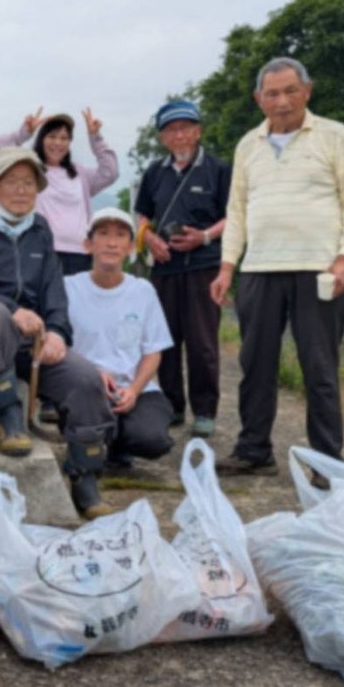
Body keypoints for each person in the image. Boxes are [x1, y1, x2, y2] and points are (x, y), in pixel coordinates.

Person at [209, 57, 344, 483]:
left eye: (290, 91)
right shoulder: (248, 145)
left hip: (318, 270)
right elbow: (237, 211)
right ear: (258, 98)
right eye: (272, 93)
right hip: (260, 269)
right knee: (255, 366)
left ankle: (326, 461)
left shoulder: (335, 136)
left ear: (307, 92)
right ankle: (254, 450)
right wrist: (228, 267)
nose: (281, 102)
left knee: (319, 369)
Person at [0, 146, 118, 518]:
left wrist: (57, 332)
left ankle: (85, 475)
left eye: (29, 183)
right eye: (12, 182)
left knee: (85, 378)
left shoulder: (40, 229)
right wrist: (13, 311)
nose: (22, 191)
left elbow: (54, 289)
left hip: (30, 344)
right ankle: (8, 413)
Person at [65, 208, 176, 505]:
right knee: (89, 422)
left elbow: (153, 352)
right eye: (103, 234)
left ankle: (116, 440)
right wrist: (89, 373)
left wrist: (135, 390)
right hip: (87, 386)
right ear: (88, 245)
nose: (111, 243)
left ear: (130, 247)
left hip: (135, 387)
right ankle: (105, 440)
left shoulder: (142, 291)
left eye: (120, 236)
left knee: (153, 440)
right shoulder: (69, 288)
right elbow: (58, 345)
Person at [135, 98, 231, 438]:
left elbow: (233, 216)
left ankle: (205, 410)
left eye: (185, 128)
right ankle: (172, 405)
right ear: (163, 137)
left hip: (204, 265)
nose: (179, 136)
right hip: (164, 268)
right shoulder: (154, 172)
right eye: (171, 130)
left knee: (203, 342)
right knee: (166, 340)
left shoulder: (218, 170)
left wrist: (203, 237)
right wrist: (148, 239)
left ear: (198, 131)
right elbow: (142, 214)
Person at [0, 108, 119, 275]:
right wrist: (22, 134)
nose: (58, 143)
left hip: (78, 254)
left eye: (64, 138)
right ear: (41, 138)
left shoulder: (80, 175)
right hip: (39, 251)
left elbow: (110, 173)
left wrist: (96, 138)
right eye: (52, 136)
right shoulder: (30, 170)